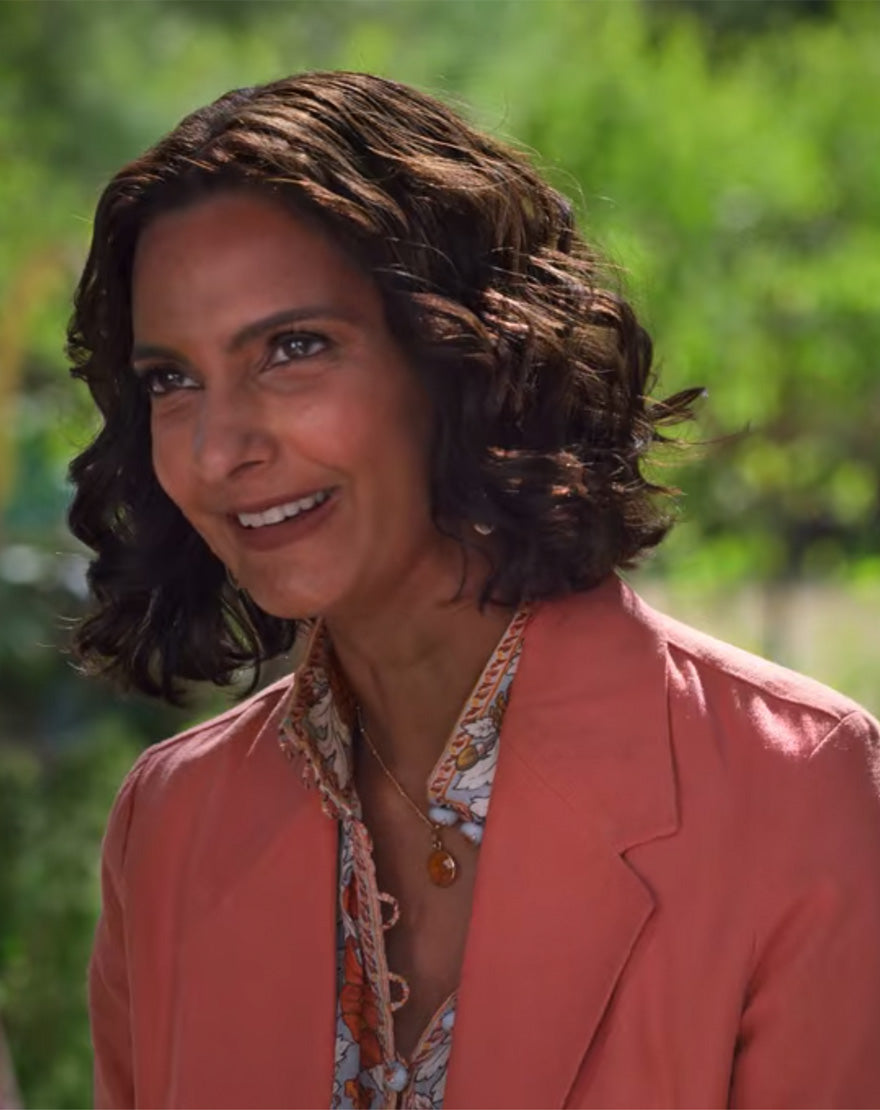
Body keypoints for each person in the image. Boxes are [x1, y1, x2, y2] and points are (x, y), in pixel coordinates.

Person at [69, 72, 880, 1110]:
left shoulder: (795, 792)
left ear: (467, 351)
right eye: (172, 381)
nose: (220, 449)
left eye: (293, 349)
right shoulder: (171, 825)